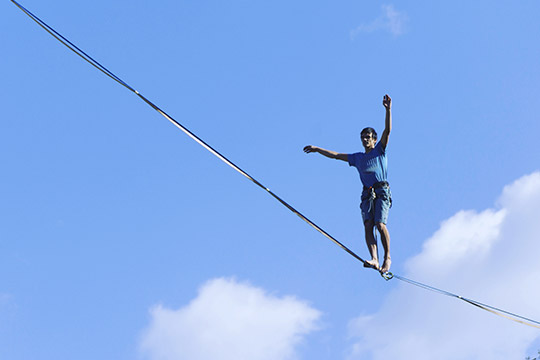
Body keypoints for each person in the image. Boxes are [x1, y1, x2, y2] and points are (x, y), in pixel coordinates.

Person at [303, 94, 393, 273]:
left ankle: (387, 257)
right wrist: (317, 149)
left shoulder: (379, 150)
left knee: (380, 225)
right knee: (368, 225)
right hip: (367, 193)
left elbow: (387, 131)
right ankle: (374, 258)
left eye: (368, 137)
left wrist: (388, 110)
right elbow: (336, 155)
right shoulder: (357, 158)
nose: (366, 139)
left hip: (381, 190)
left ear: (374, 139)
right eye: (363, 137)